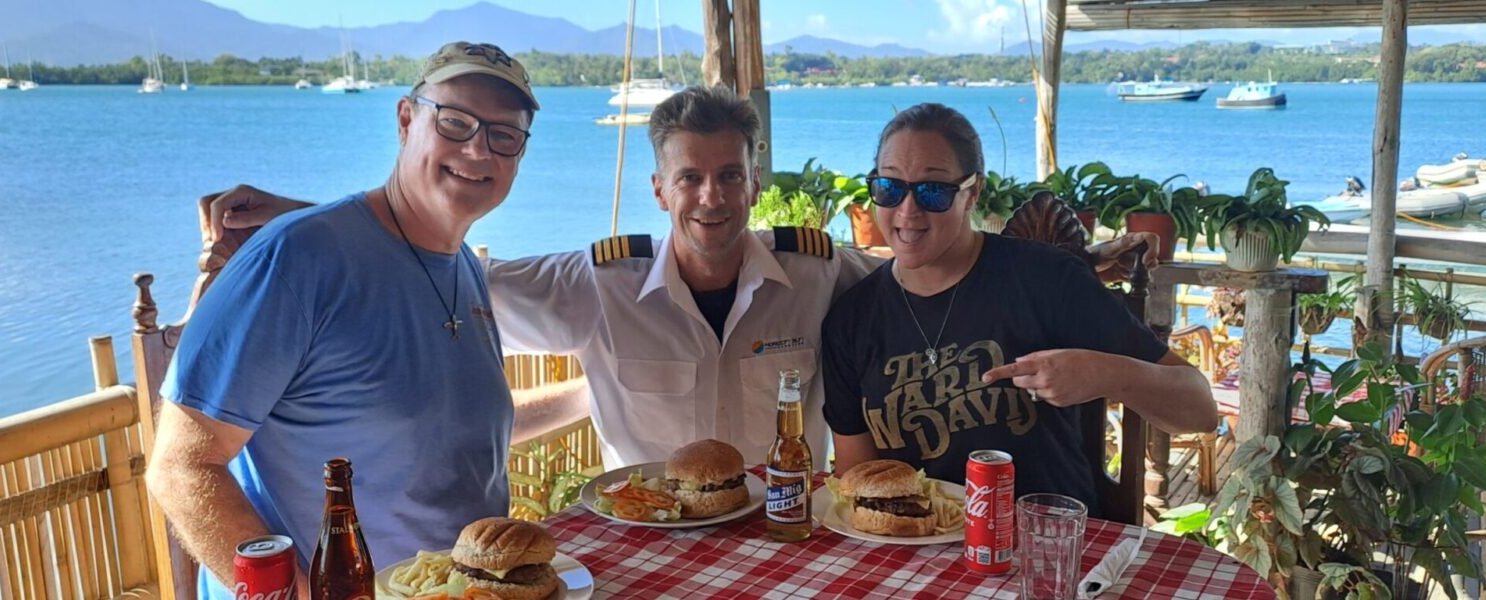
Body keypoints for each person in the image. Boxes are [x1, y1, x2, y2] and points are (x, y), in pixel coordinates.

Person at [196, 86, 1159, 472]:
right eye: (690, 177)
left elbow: (925, 261)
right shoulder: (596, 284)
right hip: (651, 542)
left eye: (731, 175)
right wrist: (309, 217)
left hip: (789, 536)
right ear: (660, 185)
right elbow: (449, 261)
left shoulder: (822, 275)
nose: (712, 197)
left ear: (754, 183)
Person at [145, 42, 584, 600]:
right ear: (407, 119)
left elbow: (442, 429)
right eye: (455, 122)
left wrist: (591, 394)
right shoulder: (295, 260)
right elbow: (182, 468)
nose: (478, 150)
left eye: (504, 135)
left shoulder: (463, 268)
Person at [821, 103, 1218, 514]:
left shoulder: (1045, 279)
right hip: (915, 551)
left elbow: (1201, 409)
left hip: (1047, 542)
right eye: (889, 187)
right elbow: (859, 481)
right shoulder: (852, 319)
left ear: (973, 192)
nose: (907, 211)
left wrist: (1105, 374)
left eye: (932, 191)